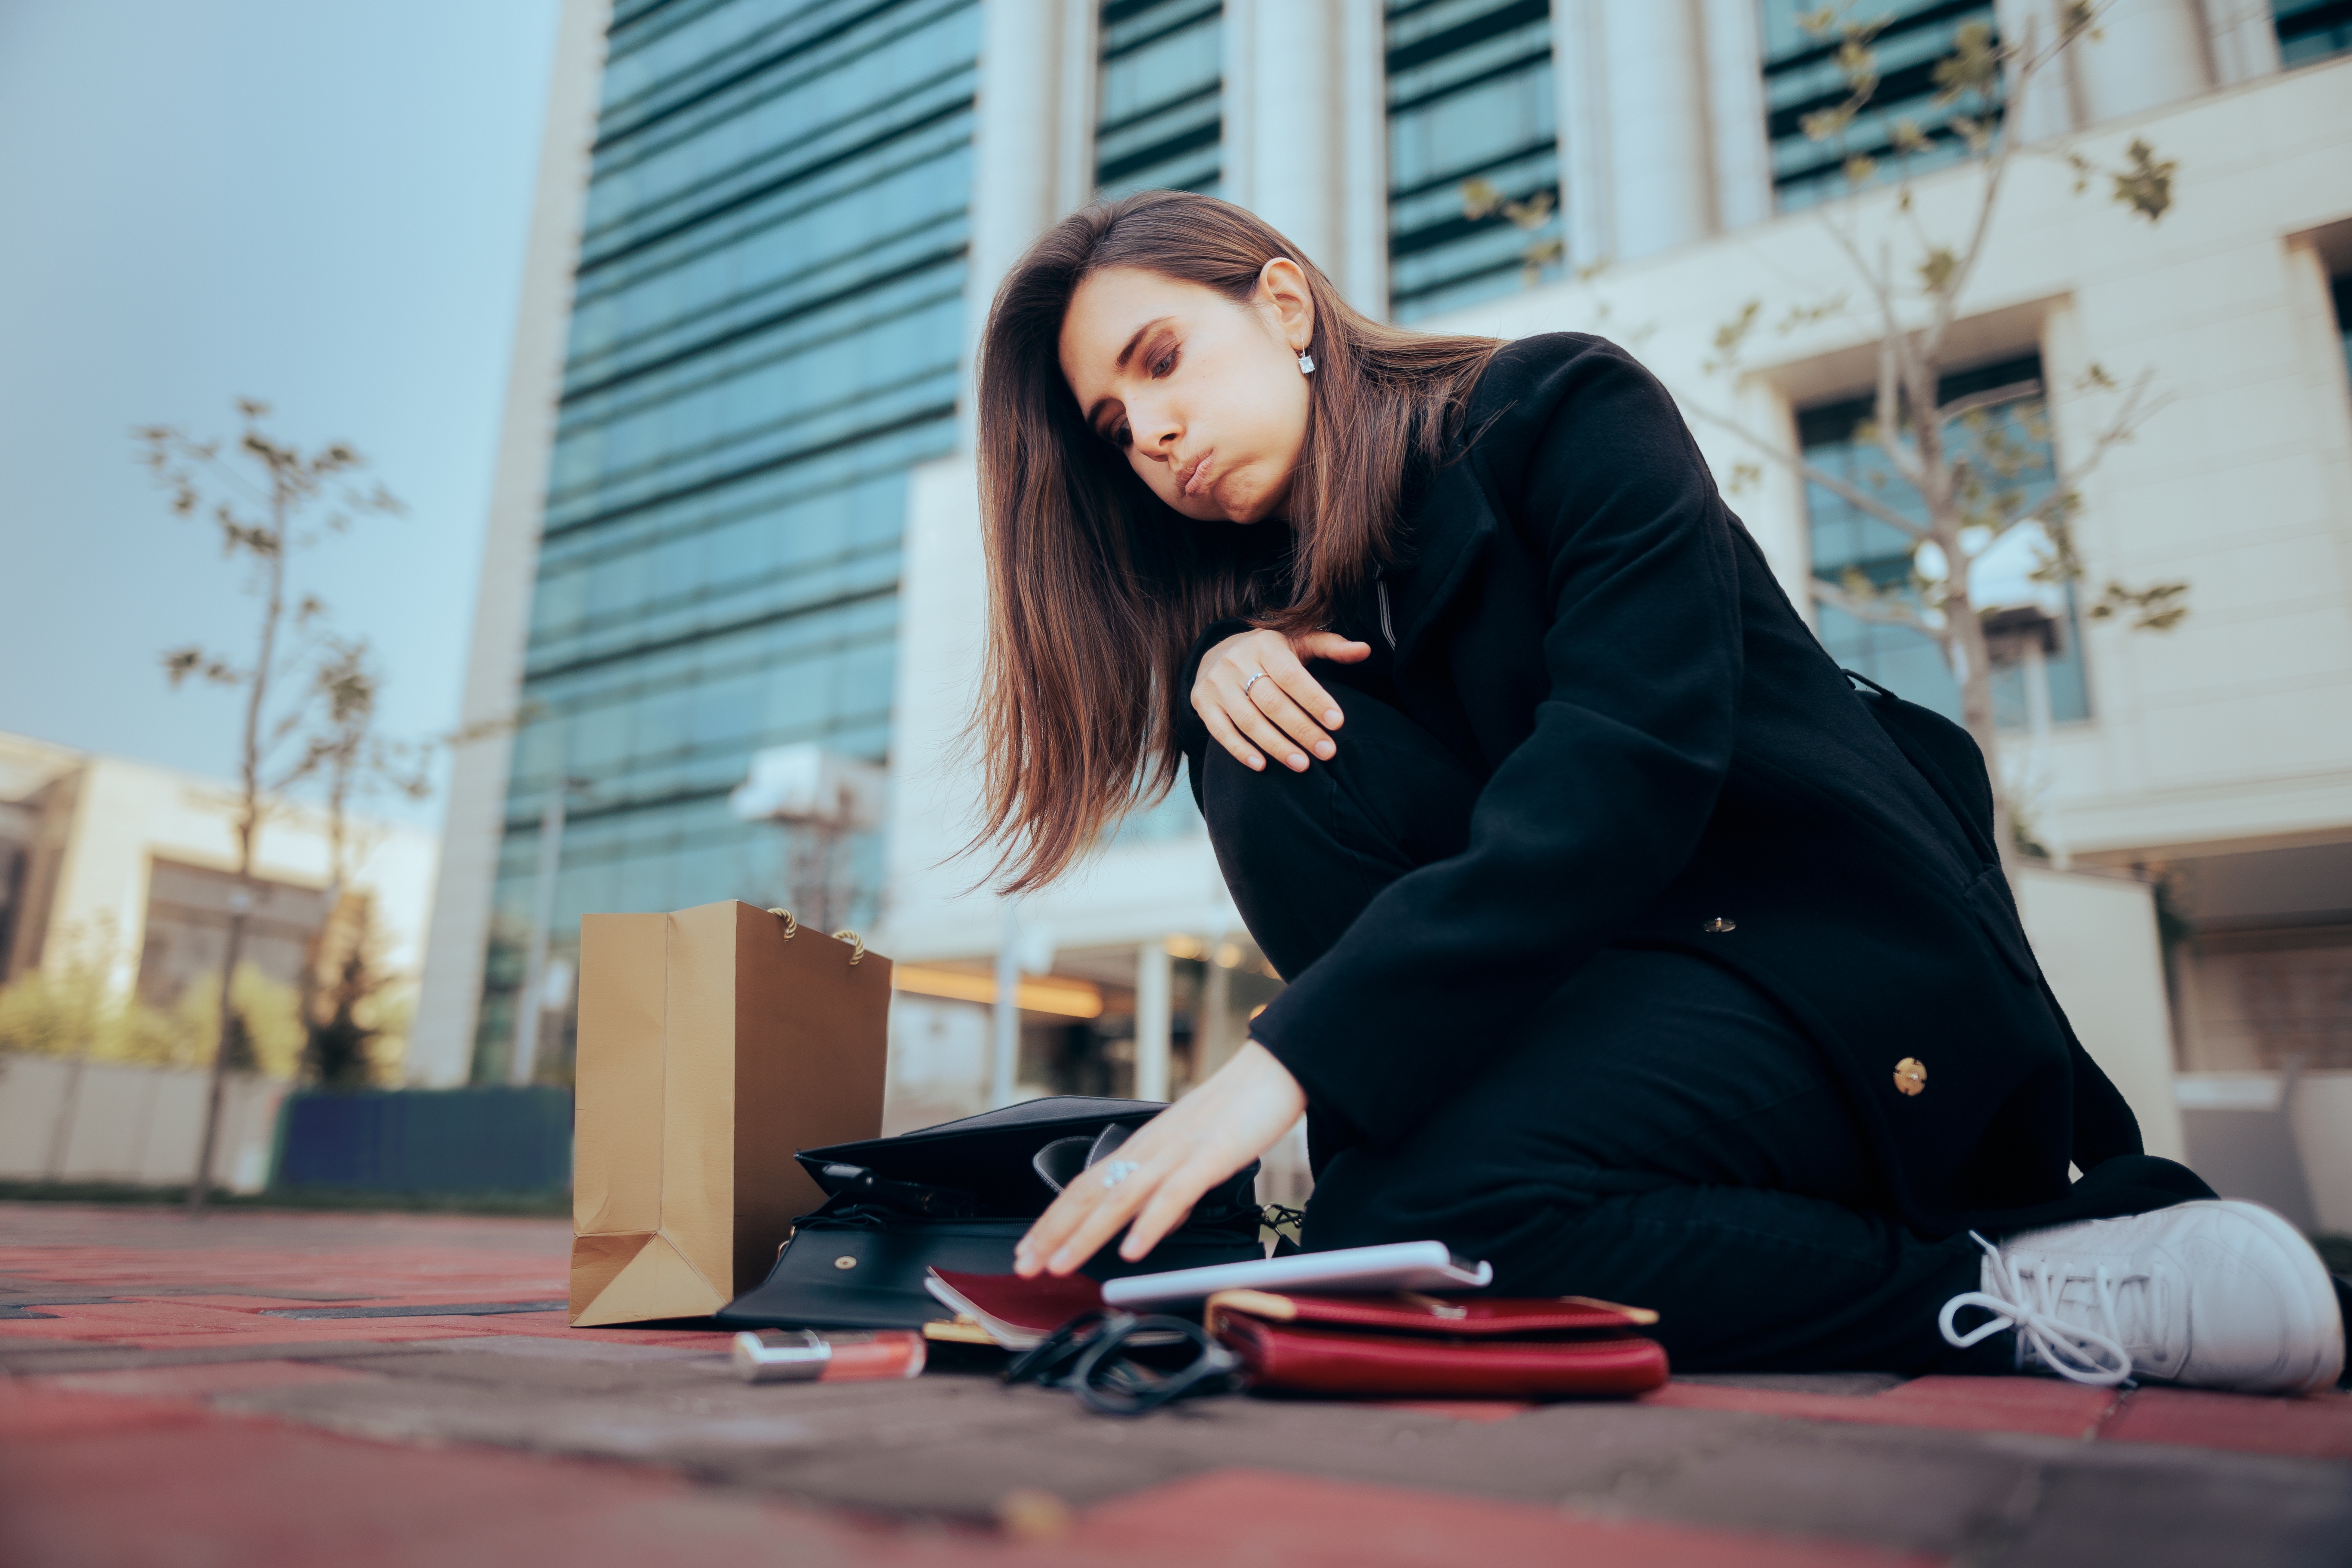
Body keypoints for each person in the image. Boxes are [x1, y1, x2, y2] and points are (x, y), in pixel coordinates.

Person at [976, 190, 2342, 1393]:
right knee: (1373, 1207)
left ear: (1284, 303)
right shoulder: (1305, 633)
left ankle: (2007, 1289)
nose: (1153, 433)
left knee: (1423, 1216)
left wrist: (1284, 1066)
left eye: (1163, 363)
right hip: (1620, 1016)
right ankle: (1524, 1168)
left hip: (1829, 979)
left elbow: (1622, 772)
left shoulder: (1562, 410)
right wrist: (1223, 654)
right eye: (1115, 428)